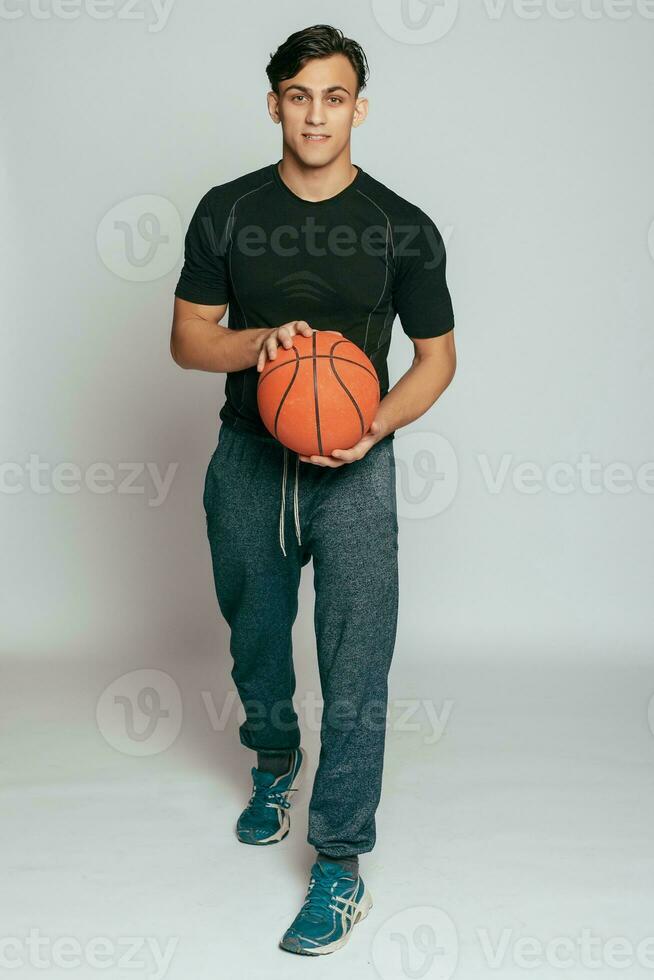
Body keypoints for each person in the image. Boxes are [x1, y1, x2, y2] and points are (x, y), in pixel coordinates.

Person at [170, 23, 456, 957]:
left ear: (358, 108)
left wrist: (373, 424)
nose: (317, 113)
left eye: (335, 96)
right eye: (300, 95)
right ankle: (272, 753)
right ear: (274, 103)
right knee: (253, 628)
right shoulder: (226, 210)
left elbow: (437, 360)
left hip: (357, 468)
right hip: (249, 457)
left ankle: (339, 858)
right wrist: (259, 346)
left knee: (357, 656)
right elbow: (187, 339)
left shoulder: (401, 225)